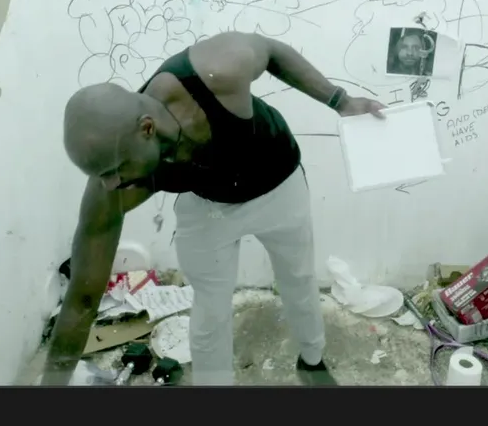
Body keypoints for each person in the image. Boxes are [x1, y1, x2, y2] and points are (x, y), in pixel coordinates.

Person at [44, 32, 386, 386]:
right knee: (210, 310)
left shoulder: (216, 72)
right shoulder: (111, 184)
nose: (110, 184)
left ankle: (311, 363)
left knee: (298, 281)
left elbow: (271, 51)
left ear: (147, 128)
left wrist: (342, 101)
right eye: (100, 175)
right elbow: (82, 300)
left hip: (278, 186)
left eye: (115, 170)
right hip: (209, 206)